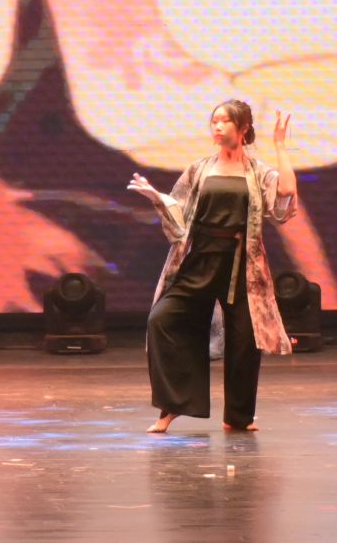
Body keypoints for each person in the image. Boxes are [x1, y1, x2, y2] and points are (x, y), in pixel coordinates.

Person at [126, 100, 299, 433]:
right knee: (162, 320)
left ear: (243, 128)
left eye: (225, 121)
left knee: (244, 341)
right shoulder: (200, 169)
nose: (217, 126)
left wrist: (280, 145)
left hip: (242, 264)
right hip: (201, 258)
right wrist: (158, 199)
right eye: (214, 121)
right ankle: (173, 406)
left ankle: (238, 417)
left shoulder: (257, 171)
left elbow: (286, 193)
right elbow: (179, 212)